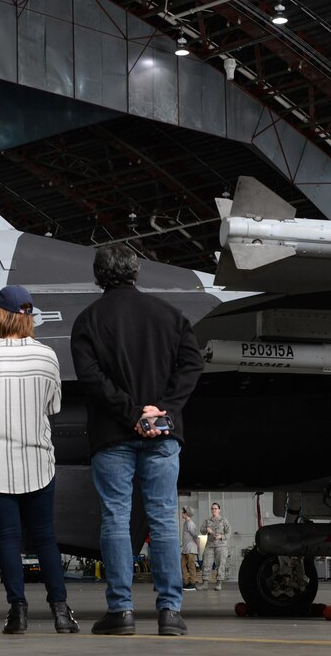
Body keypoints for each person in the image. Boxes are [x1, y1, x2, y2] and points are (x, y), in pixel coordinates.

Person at [70, 243, 204, 637]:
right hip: (162, 434)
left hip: (112, 435)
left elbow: (92, 379)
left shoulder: (88, 321)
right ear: (136, 272)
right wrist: (162, 410)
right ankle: (170, 613)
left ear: (98, 277)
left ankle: (121, 612)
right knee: (162, 518)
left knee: (115, 518)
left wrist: (131, 415)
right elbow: (193, 363)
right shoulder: (170, 315)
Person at [0, 285, 79, 636]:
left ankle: (18, 614)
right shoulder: (48, 356)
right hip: (38, 460)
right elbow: (53, 406)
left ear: (0, 315)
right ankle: (61, 612)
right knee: (45, 538)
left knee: (9, 539)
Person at [201, 502, 233, 590]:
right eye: (212, 508)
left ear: (219, 510)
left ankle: (219, 584)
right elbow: (201, 530)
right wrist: (206, 529)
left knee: (221, 564)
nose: (214, 510)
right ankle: (205, 584)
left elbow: (229, 532)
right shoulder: (207, 520)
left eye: (215, 508)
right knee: (206, 563)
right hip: (210, 545)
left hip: (221, 546)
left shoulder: (224, 520)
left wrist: (221, 536)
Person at [180, 506, 202, 590]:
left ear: (186, 514)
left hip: (191, 549)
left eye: (183, 512)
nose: (182, 513)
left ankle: (192, 583)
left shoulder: (190, 524)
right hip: (185, 549)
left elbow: (195, 537)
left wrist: (199, 547)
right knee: (182, 565)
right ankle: (186, 582)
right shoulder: (185, 523)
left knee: (191, 566)